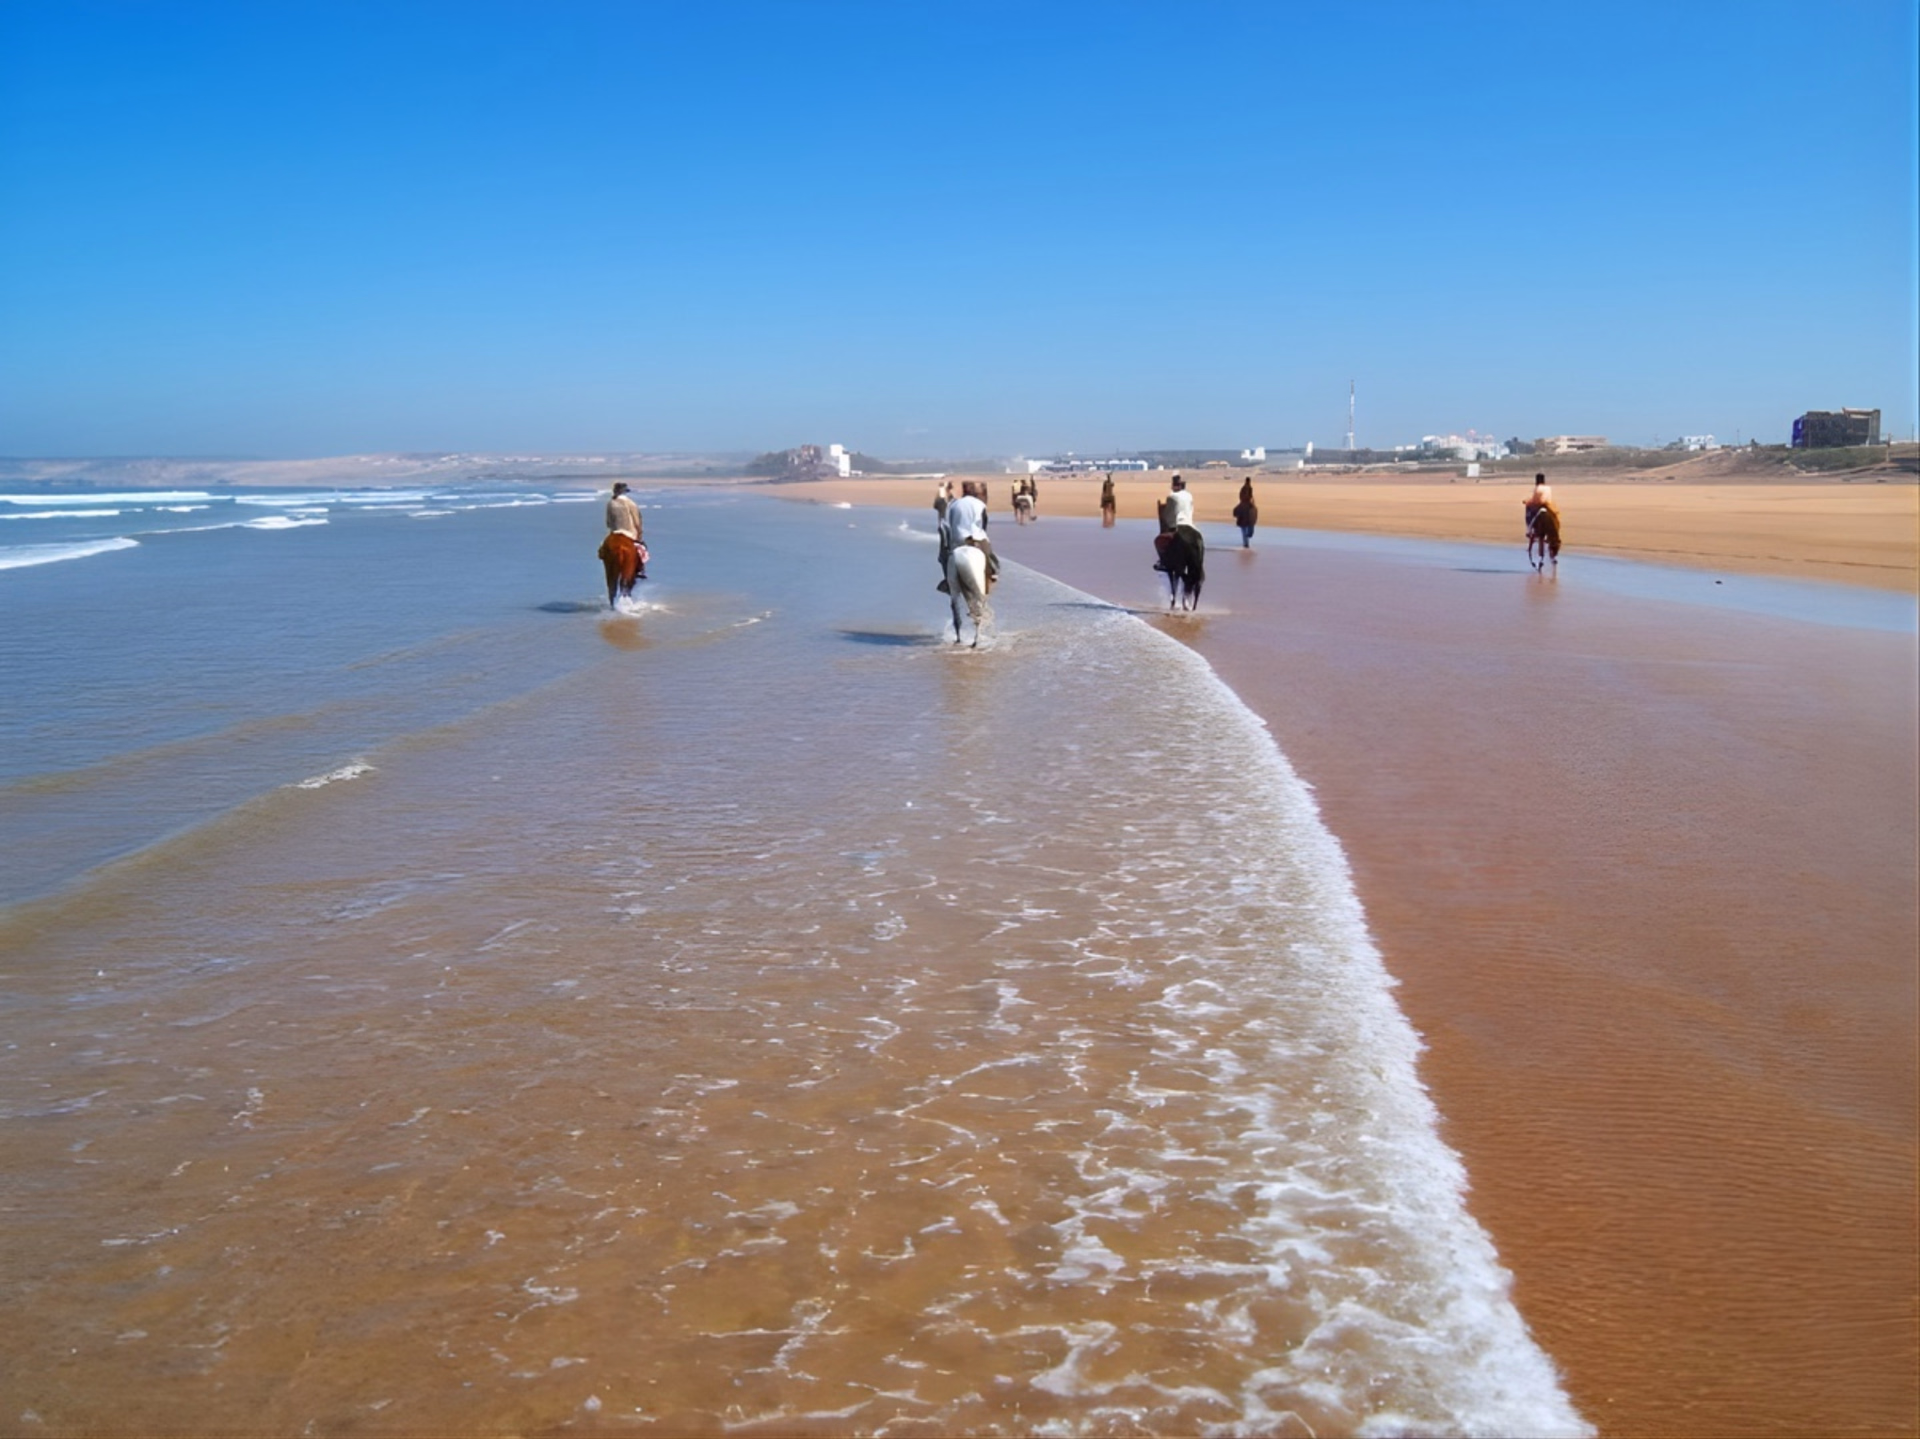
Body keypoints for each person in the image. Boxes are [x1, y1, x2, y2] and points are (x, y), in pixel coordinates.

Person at [940, 478, 998, 591]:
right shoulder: (980, 504)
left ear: (963, 490)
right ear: (975, 492)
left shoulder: (954, 504)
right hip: (977, 539)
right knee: (991, 559)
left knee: (944, 558)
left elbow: (947, 525)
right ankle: (992, 574)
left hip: (958, 540)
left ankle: (947, 581)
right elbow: (984, 524)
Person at [598, 481, 647, 606]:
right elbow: (637, 521)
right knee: (641, 551)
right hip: (629, 533)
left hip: (615, 532)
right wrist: (639, 535)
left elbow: (608, 523)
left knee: (603, 551)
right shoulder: (631, 503)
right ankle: (640, 571)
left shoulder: (610, 503)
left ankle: (611, 602)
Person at [1232, 476, 1257, 548]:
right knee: (1245, 527)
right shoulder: (1247, 488)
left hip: (1245, 504)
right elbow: (1246, 496)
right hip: (1246, 505)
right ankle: (1246, 543)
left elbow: (1242, 496)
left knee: (1244, 529)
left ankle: (1246, 542)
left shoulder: (1246, 488)